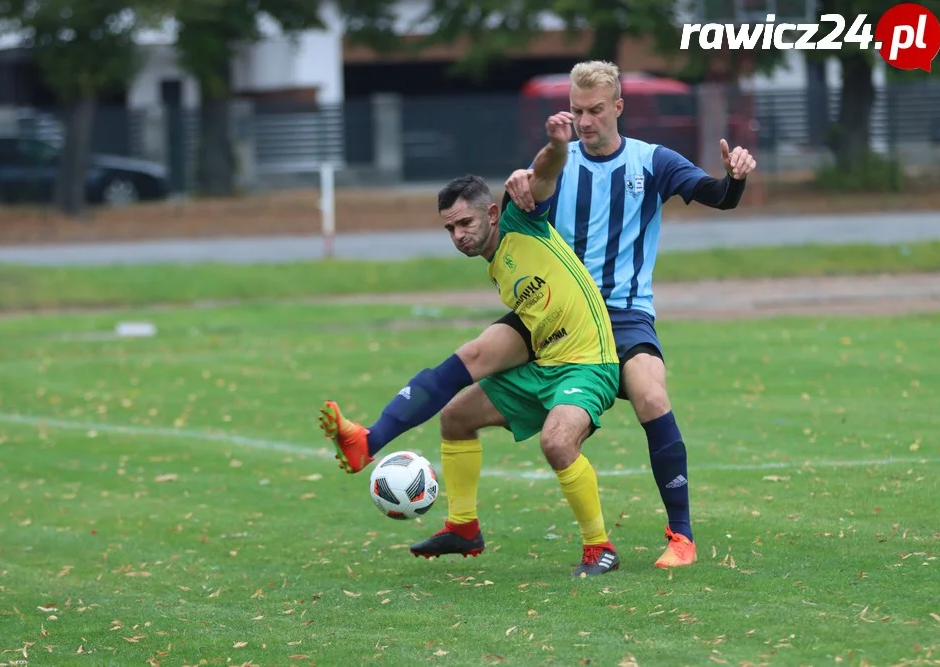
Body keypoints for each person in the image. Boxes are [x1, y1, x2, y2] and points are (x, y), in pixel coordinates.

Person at [321, 59, 758, 569]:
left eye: (596, 110)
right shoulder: (554, 164)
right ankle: (376, 444)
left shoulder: (652, 161)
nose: (586, 120)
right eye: (576, 110)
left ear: (618, 107)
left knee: (651, 395)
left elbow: (719, 197)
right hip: (549, 309)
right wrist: (542, 157)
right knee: (468, 368)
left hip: (623, 313)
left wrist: (735, 179)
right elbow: (535, 183)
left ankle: (681, 536)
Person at [323, 112, 624, 577]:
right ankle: (460, 526)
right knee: (457, 414)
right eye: (449, 229)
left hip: (589, 364)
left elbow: (543, 175)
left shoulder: (522, 221)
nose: (458, 235)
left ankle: (599, 548)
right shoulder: (496, 265)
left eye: (464, 222)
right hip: (545, 363)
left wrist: (556, 144)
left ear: (490, 212)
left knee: (556, 440)